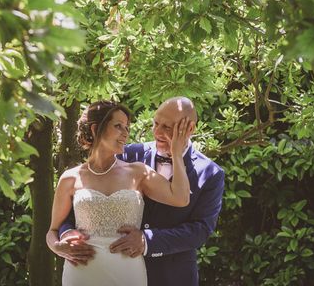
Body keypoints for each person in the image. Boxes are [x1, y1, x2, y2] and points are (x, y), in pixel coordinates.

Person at [57, 97, 224, 286]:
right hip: (102, 270)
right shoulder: (126, 154)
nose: (157, 133)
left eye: (167, 128)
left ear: (190, 129)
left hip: (171, 276)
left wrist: (147, 241)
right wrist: (67, 235)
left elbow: (199, 231)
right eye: (155, 123)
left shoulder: (210, 174)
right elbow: (78, 205)